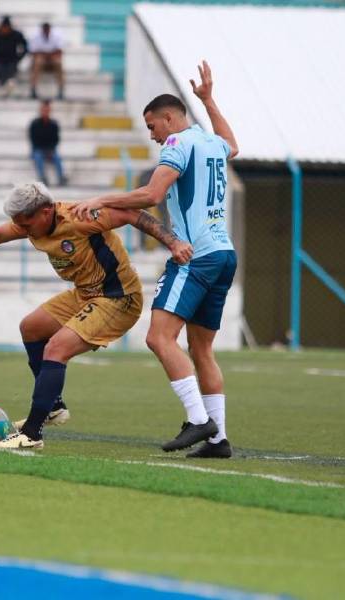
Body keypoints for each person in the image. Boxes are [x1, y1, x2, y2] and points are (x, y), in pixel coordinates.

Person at [0, 182, 192, 449]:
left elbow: (133, 214)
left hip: (118, 297)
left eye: (25, 223)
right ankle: (53, 406)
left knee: (56, 348)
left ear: (45, 212)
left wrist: (173, 243)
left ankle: (31, 434)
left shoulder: (80, 217)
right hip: (84, 294)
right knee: (31, 327)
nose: (22, 229)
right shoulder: (29, 222)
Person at [71, 61, 240, 458]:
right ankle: (218, 441)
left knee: (158, 338)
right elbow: (232, 145)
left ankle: (199, 420)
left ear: (169, 119)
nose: (152, 135)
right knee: (201, 350)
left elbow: (151, 195)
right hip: (223, 254)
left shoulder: (178, 143)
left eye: (152, 126)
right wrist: (209, 101)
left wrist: (100, 199)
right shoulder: (210, 142)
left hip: (195, 256)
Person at [29, 100, 66, 187]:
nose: (45, 112)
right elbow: (33, 139)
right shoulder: (34, 124)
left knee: (57, 158)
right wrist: (43, 149)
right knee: (38, 156)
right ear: (41, 110)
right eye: (44, 110)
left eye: (47, 110)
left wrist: (50, 150)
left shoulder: (54, 124)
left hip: (50, 149)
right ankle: (42, 177)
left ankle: (61, 178)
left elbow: (56, 139)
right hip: (38, 149)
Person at [28, 22, 65, 100]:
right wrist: (48, 54)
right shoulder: (35, 37)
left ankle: (61, 89)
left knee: (58, 62)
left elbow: (60, 51)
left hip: (52, 59)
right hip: (41, 60)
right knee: (37, 62)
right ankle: (33, 89)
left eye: (47, 30)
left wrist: (45, 54)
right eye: (45, 30)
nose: (46, 32)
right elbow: (33, 53)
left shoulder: (56, 36)